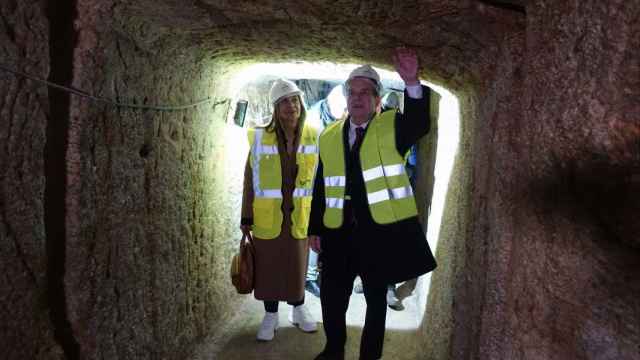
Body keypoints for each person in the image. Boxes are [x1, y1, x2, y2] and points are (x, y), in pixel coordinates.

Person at [308, 47, 437, 360]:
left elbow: (420, 124)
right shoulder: (329, 135)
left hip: (378, 233)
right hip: (337, 233)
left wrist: (412, 83)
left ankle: (370, 356)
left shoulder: (392, 126)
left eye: (365, 92)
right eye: (352, 92)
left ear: (377, 100)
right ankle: (333, 349)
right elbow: (322, 185)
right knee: (331, 298)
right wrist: (315, 228)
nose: (357, 97)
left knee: (376, 301)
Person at [240, 78, 319, 341]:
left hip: (299, 215)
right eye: (284, 101)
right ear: (275, 108)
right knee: (269, 268)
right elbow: (249, 179)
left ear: (301, 103)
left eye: (294, 99)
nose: (290, 106)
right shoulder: (261, 137)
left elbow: (320, 181)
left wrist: (320, 219)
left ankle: (298, 310)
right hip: (267, 216)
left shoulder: (314, 135)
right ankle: (270, 316)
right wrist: (246, 217)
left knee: (297, 266)